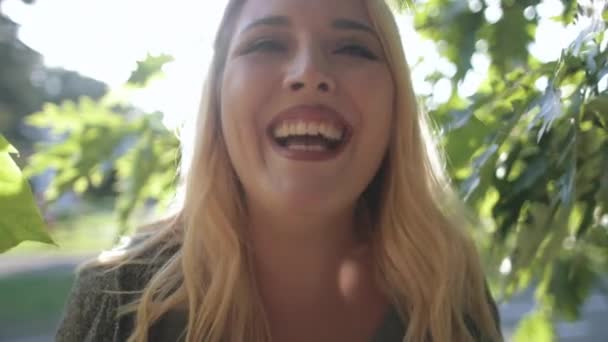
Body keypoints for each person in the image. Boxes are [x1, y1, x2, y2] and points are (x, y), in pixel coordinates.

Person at [56, 0, 504, 341]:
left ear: (396, 104)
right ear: (216, 98)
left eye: (353, 47)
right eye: (266, 43)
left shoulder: (448, 291)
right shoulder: (117, 298)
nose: (309, 73)